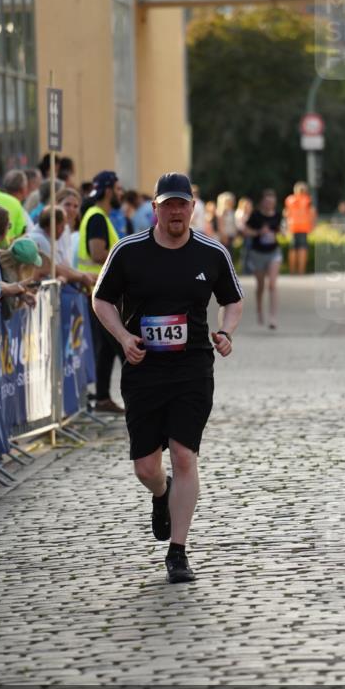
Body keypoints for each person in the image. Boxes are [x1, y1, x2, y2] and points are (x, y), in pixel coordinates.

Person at [93, 172, 243, 584]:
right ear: (155, 208)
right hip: (143, 369)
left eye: (183, 204)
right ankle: (162, 493)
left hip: (192, 368)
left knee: (183, 454)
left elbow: (232, 301)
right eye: (168, 204)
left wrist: (226, 332)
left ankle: (178, 552)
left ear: (193, 208)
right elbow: (100, 298)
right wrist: (124, 338)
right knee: (146, 466)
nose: (176, 212)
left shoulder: (211, 253)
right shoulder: (128, 251)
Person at [78, 170, 125, 413]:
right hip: (101, 293)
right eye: (118, 189)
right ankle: (140, 399)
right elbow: (97, 253)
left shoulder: (99, 216)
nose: (121, 194)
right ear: (108, 191)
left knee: (106, 349)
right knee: (123, 346)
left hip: (98, 290)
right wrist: (126, 260)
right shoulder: (97, 217)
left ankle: (103, 397)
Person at [242, 189, 283, 329]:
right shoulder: (255, 215)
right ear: (262, 202)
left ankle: (273, 317)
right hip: (258, 253)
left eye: (272, 202)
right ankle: (259, 309)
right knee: (261, 286)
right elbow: (245, 230)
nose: (269, 205)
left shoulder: (278, 215)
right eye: (267, 202)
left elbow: (280, 230)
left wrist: (280, 232)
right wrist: (259, 232)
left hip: (273, 252)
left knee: (272, 284)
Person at [285, 181, 315, 275]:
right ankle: (301, 271)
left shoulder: (289, 199)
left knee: (293, 249)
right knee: (302, 249)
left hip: (293, 227)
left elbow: (286, 213)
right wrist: (313, 225)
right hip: (304, 227)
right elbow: (312, 213)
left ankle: (292, 271)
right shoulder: (308, 200)